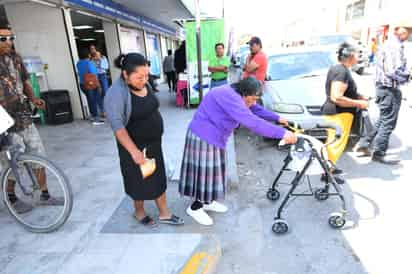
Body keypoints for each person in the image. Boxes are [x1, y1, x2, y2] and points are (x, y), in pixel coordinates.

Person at [179, 77, 297, 226]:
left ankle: (207, 201)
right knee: (205, 174)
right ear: (244, 93)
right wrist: (283, 133)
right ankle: (195, 208)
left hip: (216, 136)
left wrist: (277, 117)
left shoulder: (240, 94)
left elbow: (255, 108)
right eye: (252, 99)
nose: (253, 102)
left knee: (213, 173)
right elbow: (253, 122)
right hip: (203, 136)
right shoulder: (228, 96)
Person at [104, 53, 184, 227]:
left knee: (157, 177)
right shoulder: (115, 94)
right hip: (135, 147)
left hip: (153, 144)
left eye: (146, 75)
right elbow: (118, 127)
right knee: (138, 180)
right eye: (139, 77)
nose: (144, 79)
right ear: (125, 74)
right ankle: (139, 212)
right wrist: (133, 152)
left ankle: (164, 213)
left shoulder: (143, 83)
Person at [0, 25, 63, 213]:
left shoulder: (16, 58)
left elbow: (25, 81)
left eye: (11, 37)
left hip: (23, 115)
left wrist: (34, 98)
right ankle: (11, 198)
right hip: (4, 120)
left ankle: (44, 195)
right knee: (11, 160)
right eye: (3, 39)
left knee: (38, 153)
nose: (9, 42)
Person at [321, 42, 375, 156]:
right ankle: (327, 170)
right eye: (357, 54)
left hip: (338, 114)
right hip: (339, 114)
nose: (358, 57)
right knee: (335, 146)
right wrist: (359, 103)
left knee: (333, 144)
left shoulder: (340, 69)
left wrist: (358, 96)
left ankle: (328, 168)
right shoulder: (341, 71)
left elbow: (342, 92)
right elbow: (337, 97)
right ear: (350, 56)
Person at [366, 27, 410, 164]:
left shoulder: (388, 44)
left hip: (383, 87)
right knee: (388, 123)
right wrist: (407, 76)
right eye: (408, 33)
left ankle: (363, 144)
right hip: (389, 88)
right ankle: (379, 153)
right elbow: (392, 71)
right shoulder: (395, 47)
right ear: (402, 33)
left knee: (383, 119)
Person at [76, 48, 104, 125]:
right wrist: (98, 84)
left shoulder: (78, 63)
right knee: (94, 100)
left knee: (90, 100)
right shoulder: (89, 62)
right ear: (88, 55)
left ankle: (93, 116)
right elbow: (93, 73)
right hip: (91, 84)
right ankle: (96, 119)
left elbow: (79, 73)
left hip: (82, 84)